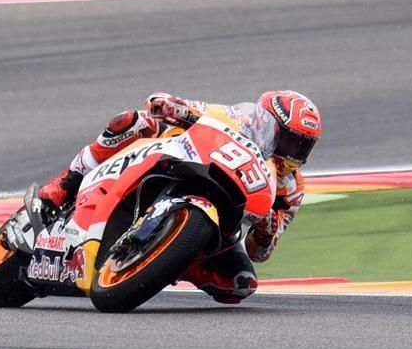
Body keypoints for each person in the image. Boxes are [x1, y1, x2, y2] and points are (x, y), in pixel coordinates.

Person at [37, 91, 322, 304]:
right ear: (268, 124)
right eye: (289, 140)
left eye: (302, 146)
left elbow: (259, 254)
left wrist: (266, 233)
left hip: (222, 218)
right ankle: (66, 182)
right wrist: (172, 105)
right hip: (186, 159)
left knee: (239, 284)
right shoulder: (239, 119)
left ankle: (173, 259)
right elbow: (191, 109)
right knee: (133, 121)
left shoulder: (291, 190)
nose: (293, 152)